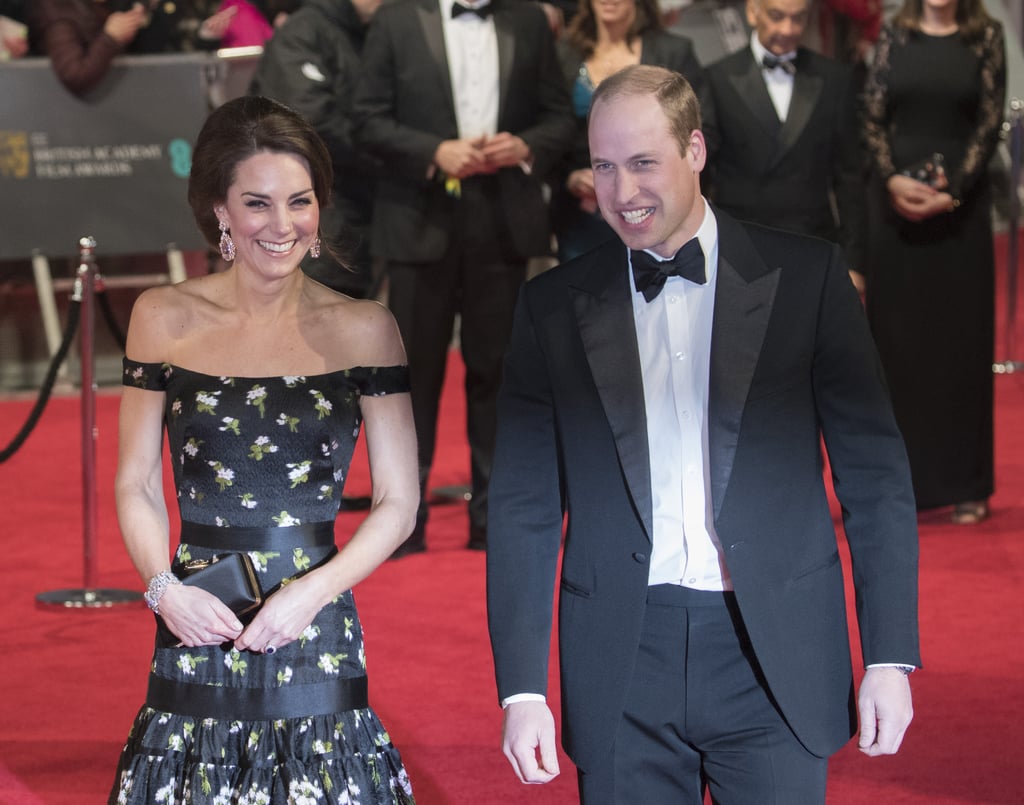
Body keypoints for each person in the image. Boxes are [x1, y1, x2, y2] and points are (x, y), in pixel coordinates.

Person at [487, 65, 920, 804]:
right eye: (603, 166)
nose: (621, 193)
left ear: (695, 149)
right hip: (622, 656)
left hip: (774, 654)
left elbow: (874, 477)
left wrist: (890, 656)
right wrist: (521, 687)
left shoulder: (808, 279)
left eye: (643, 163)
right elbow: (524, 505)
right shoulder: (552, 307)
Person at [109, 95, 418, 803]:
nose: (282, 226)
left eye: (300, 202)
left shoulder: (366, 327)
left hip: (314, 616)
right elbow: (137, 484)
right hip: (197, 614)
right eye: (257, 203)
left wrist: (312, 593)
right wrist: (164, 590)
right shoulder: (162, 316)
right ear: (220, 211)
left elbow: (400, 503)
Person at [353, 0, 574, 556]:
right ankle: (401, 520)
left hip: (502, 221)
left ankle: (493, 518)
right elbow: (366, 119)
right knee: (408, 380)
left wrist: (526, 147)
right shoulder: (398, 18)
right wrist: (434, 151)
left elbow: (558, 117)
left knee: (498, 375)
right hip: (417, 220)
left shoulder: (527, 19)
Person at [862, 0, 1004, 525]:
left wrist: (956, 191)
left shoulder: (984, 36)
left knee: (961, 345)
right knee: (898, 347)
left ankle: (967, 484)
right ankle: (901, 484)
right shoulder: (894, 36)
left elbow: (989, 124)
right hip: (895, 210)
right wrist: (893, 179)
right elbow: (871, 116)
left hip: (960, 216)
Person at [700, 0, 866, 284]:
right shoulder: (716, 78)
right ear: (753, 12)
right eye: (777, 17)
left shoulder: (835, 79)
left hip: (813, 243)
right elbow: (700, 172)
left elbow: (850, 178)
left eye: (798, 19)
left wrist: (855, 262)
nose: (788, 29)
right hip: (740, 247)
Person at [551, 0, 704, 262]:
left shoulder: (674, 51)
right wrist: (569, 177)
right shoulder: (562, 53)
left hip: (656, 210)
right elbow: (550, 125)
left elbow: (699, 129)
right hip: (580, 218)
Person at [250, 0, 383, 298]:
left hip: (359, 212)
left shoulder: (370, 31)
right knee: (312, 320)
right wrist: (391, 152)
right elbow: (308, 125)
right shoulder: (303, 33)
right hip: (315, 216)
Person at [27, 0, 146, 96]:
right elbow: (74, 74)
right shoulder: (58, 13)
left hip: (115, 104)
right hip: (69, 113)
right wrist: (111, 37)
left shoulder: (103, 7)